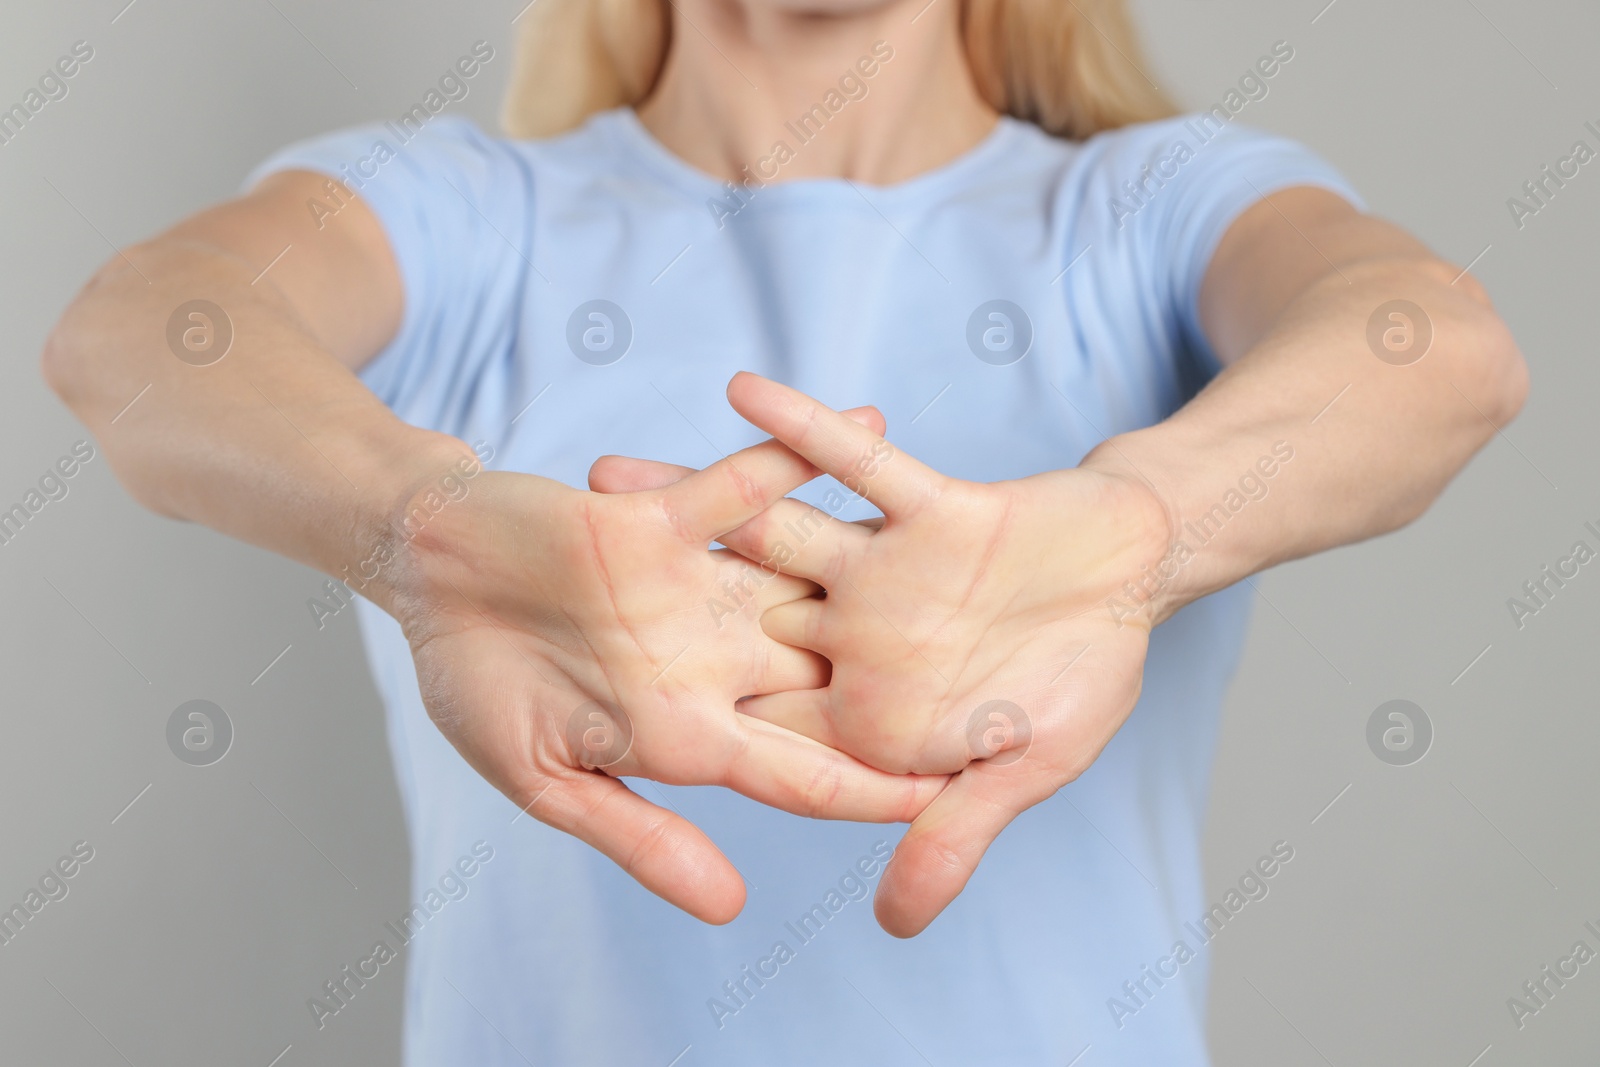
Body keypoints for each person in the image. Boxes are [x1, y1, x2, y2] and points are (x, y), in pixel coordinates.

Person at [41, 0, 1526, 1061]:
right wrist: (416, 530)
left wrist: (1140, 531)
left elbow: (1441, 353)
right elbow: (137, 335)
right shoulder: (471, 218)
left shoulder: (1145, 210)